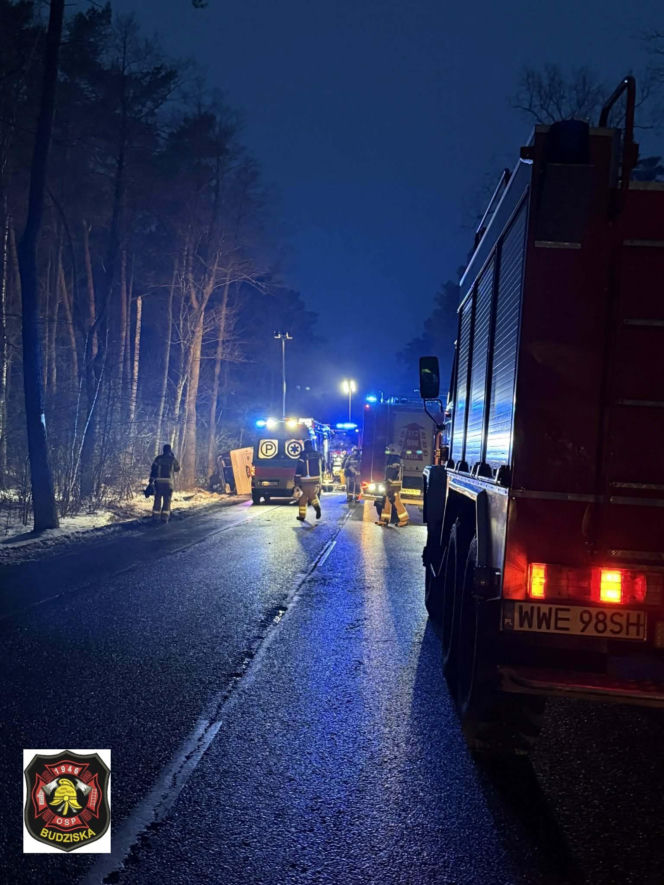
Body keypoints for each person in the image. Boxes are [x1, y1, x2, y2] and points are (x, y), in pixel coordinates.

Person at [376, 444, 409, 527]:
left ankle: (404, 519)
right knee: (386, 501)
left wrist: (389, 480)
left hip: (393, 485)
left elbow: (394, 471)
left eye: (389, 450)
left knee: (395, 501)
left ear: (394, 450)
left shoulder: (395, 459)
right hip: (390, 484)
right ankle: (384, 519)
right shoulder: (393, 459)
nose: (388, 451)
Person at [149, 444, 180, 522]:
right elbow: (177, 469)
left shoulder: (158, 459)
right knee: (167, 500)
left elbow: (153, 469)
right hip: (169, 484)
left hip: (158, 483)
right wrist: (173, 456)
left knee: (157, 499)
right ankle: (164, 517)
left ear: (163, 450)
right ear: (169, 450)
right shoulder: (172, 459)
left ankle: (155, 517)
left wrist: (151, 480)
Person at [294, 439, 323, 522]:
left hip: (305, 479)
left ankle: (317, 508)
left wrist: (296, 480)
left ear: (305, 446)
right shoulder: (317, 454)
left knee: (309, 496)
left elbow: (299, 468)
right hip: (316, 479)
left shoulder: (303, 455)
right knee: (306, 496)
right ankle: (302, 516)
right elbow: (322, 466)